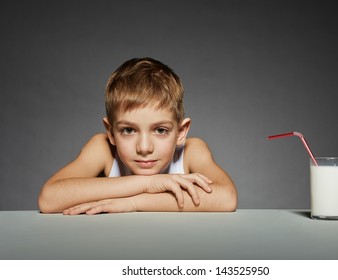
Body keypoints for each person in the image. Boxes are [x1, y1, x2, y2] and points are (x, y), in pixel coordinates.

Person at [38, 57, 237, 215]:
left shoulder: (192, 151)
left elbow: (226, 198)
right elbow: (49, 198)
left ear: (181, 132)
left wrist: (133, 202)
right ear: (111, 132)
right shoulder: (103, 148)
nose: (144, 148)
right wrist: (147, 183)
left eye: (160, 130)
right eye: (128, 130)